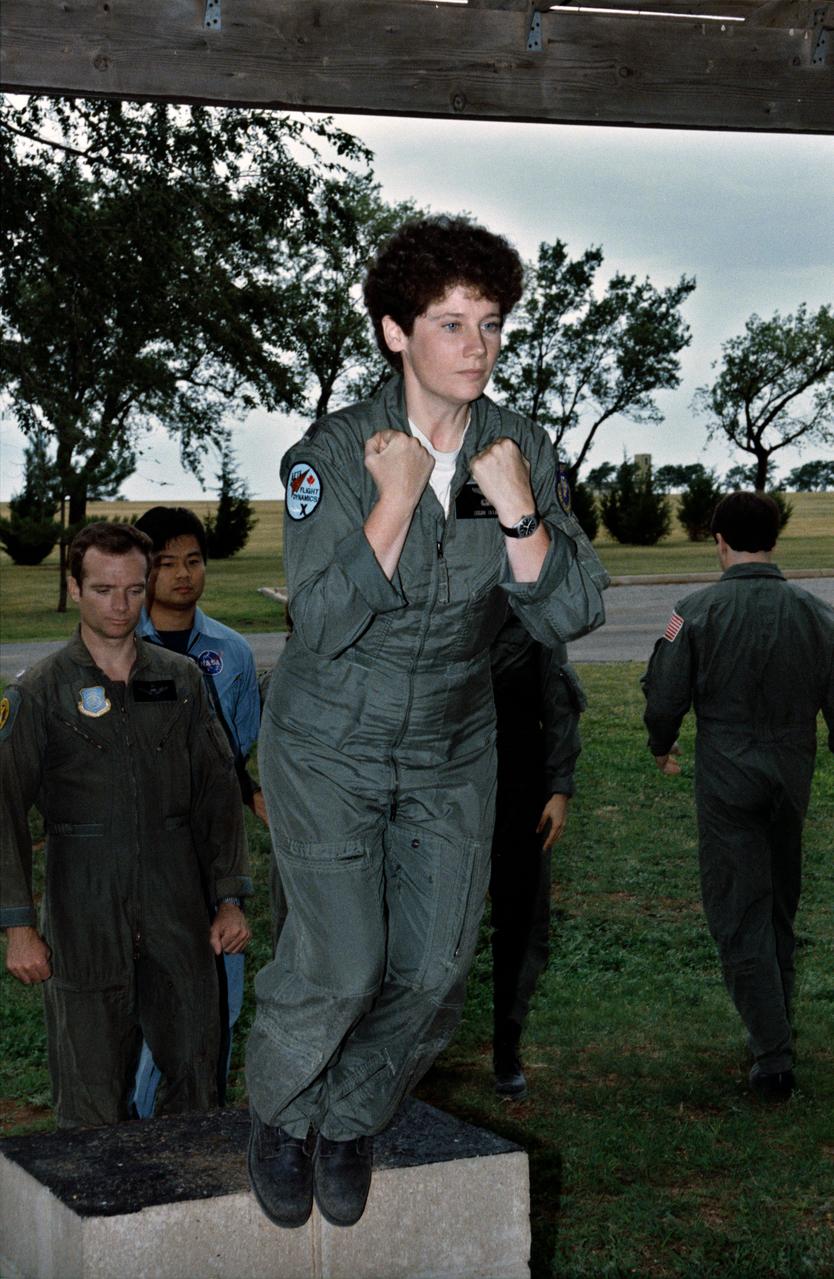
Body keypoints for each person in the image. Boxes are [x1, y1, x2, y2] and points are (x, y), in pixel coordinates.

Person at [245, 214, 608, 1230]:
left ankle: (350, 1115)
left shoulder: (517, 447)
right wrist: (395, 501)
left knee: (438, 964)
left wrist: (520, 512)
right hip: (329, 740)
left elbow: (572, 611)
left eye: (490, 324)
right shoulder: (330, 453)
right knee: (342, 961)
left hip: (452, 741)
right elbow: (321, 622)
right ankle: (282, 1110)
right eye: (452, 324)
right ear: (395, 333)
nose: (477, 346)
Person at [0, 522, 252, 1129]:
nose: (121, 606)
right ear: (75, 588)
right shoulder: (40, 692)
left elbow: (217, 794)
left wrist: (229, 898)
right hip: (83, 910)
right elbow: (3, 808)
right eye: (104, 589)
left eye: (134, 590)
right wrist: (18, 926)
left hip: (177, 908)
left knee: (195, 1082)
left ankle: (184, 1186)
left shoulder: (182, 680)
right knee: (90, 1098)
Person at [641, 492, 834, 1101]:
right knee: (778, 906)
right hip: (791, 775)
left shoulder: (692, 612)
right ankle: (774, 1028)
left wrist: (661, 743)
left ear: (718, 541)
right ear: (775, 539)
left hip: (728, 777)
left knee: (738, 910)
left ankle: (773, 1056)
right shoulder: (816, 613)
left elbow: (664, 695)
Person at [129, 505, 263, 1115]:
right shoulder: (122, 646)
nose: (183, 575)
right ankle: (140, 1124)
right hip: (141, 850)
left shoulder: (232, 652)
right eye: (165, 563)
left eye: (193, 561)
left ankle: (205, 1122)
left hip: (212, 849)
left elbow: (237, 748)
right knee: (149, 1003)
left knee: (220, 993)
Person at [490, 609, 586, 1100]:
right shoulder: (438, 602)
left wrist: (560, 788)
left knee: (522, 923)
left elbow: (559, 702)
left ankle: (506, 1044)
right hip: (445, 792)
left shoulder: (534, 617)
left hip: (519, 787)